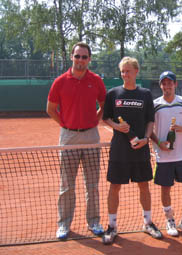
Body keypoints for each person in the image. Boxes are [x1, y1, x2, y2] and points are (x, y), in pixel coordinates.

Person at [46, 42, 106, 239]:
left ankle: (94, 222)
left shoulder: (96, 80)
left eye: (84, 57)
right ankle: (64, 224)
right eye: (77, 56)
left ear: (89, 59)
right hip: (68, 136)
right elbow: (50, 109)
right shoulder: (60, 81)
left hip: (91, 136)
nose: (81, 60)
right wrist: (65, 124)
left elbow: (104, 105)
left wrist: (94, 121)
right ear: (72, 57)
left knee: (92, 185)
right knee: (67, 185)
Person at [101, 57, 162, 244]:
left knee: (144, 186)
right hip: (119, 150)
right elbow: (106, 118)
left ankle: (148, 222)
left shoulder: (144, 94)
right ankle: (112, 226)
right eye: (122, 71)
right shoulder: (113, 94)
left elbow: (150, 120)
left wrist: (145, 138)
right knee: (114, 187)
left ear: (136, 72)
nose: (125, 74)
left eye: (128, 71)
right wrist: (117, 127)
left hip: (140, 150)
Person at [150, 71, 182, 238]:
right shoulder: (155, 104)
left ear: (175, 84)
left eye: (170, 83)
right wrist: (159, 143)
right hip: (163, 156)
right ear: (160, 85)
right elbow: (149, 130)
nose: (167, 86)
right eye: (164, 83)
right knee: (165, 188)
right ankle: (169, 220)